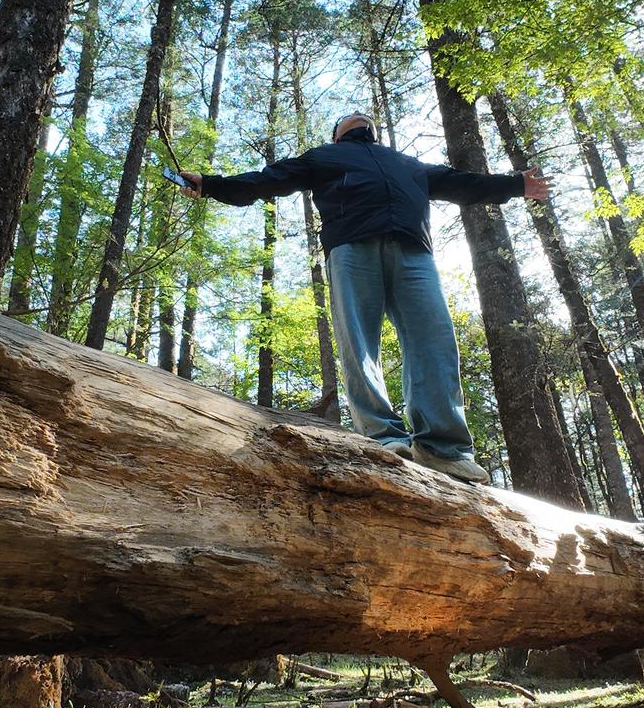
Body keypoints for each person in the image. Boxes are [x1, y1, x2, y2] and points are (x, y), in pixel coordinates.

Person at [180, 111, 551, 485]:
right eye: (347, 117)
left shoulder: (407, 163)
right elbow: (268, 180)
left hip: (412, 252)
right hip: (351, 246)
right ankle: (384, 437)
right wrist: (211, 185)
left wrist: (516, 185)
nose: (359, 116)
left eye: (364, 116)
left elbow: (463, 184)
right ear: (337, 136)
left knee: (435, 341)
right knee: (359, 342)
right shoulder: (323, 156)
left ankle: (443, 449)